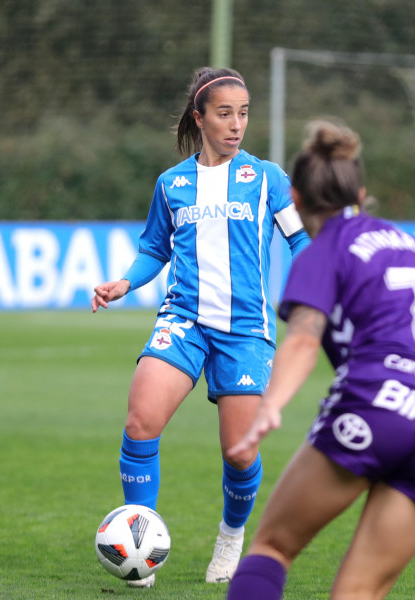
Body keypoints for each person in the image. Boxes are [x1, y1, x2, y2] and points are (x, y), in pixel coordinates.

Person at [224, 119, 415, 600]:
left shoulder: (323, 252)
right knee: (358, 591)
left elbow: (301, 339)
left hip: (377, 405)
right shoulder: (413, 244)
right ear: (360, 192)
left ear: (294, 198)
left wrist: (270, 405)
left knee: (274, 546)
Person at [91, 67, 310, 587]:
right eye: (225, 113)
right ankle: (139, 543)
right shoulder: (172, 184)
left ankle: (231, 537)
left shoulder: (267, 178)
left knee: (241, 452)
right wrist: (125, 282)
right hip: (183, 320)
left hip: (245, 329)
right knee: (140, 422)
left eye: (244, 113)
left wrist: (314, 296)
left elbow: (300, 244)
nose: (236, 124)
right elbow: (154, 249)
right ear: (200, 117)